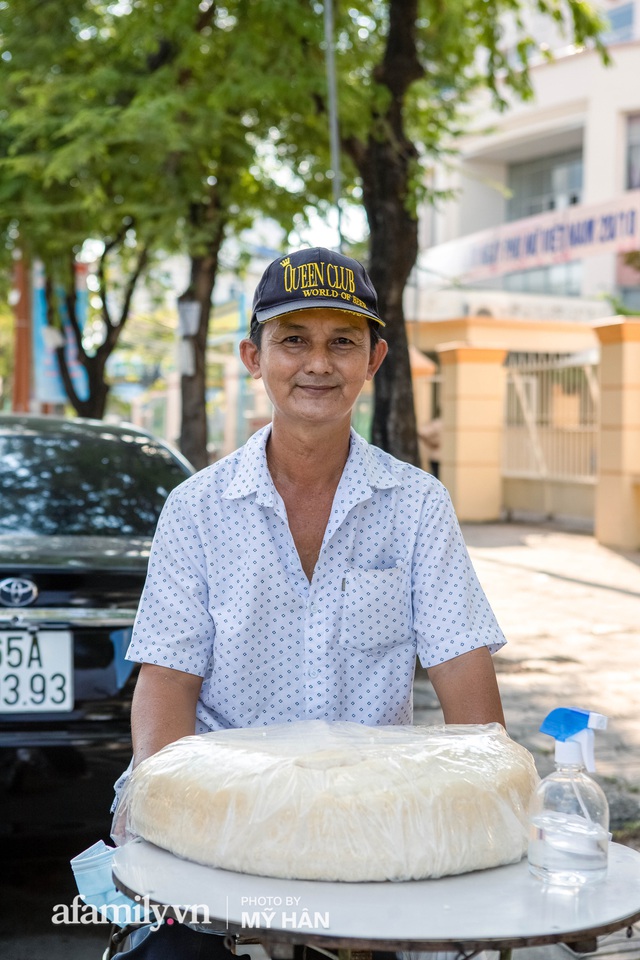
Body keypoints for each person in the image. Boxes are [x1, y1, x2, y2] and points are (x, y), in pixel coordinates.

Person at [112, 247, 505, 957]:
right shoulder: (195, 509)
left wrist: (494, 812)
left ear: (374, 359)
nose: (317, 363)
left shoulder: (418, 506)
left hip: (371, 837)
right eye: (293, 339)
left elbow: (470, 698)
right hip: (222, 823)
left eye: (341, 342)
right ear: (253, 358)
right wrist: (164, 817)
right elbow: (166, 683)